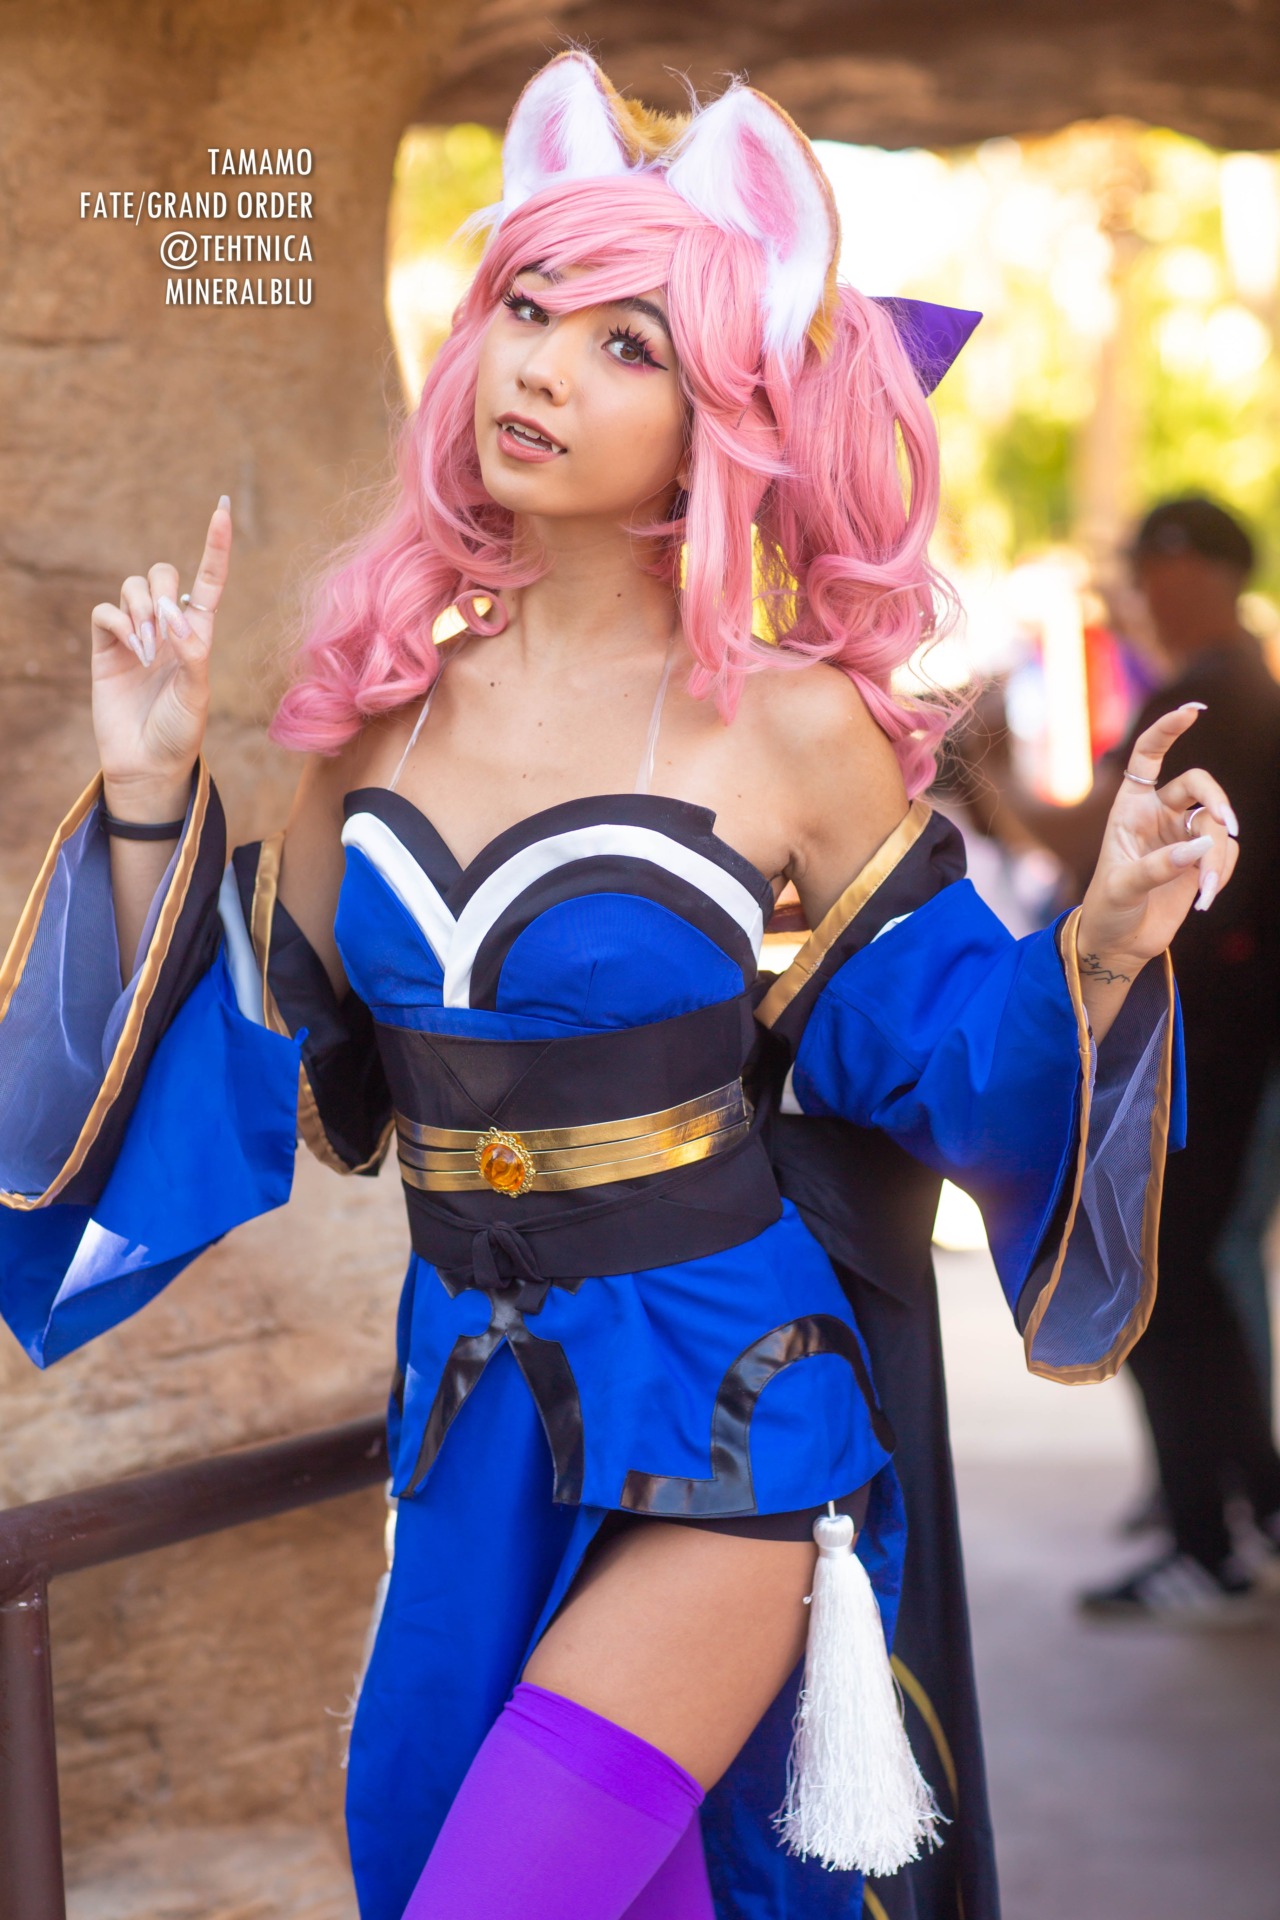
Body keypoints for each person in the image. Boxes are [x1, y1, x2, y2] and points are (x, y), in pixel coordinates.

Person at [0, 55, 1230, 1920]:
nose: (545, 370)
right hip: (464, 1432)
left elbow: (945, 1053)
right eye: (526, 308)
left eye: (625, 343)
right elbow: (263, 1065)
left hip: (727, 1411)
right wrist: (156, 786)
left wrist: (1111, 937)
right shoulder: (376, 727)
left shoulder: (791, 726)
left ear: (722, 413)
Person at [963, 495, 1280, 1617]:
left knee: (1163, 1275)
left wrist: (986, 769)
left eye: (1146, 568)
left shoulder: (1212, 699)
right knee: (1192, 1273)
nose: (1134, 592)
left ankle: (1210, 1536)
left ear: (1195, 569)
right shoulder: (1236, 687)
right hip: (1217, 1038)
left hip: (1206, 1043)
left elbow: (1083, 843)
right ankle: (1242, 1510)